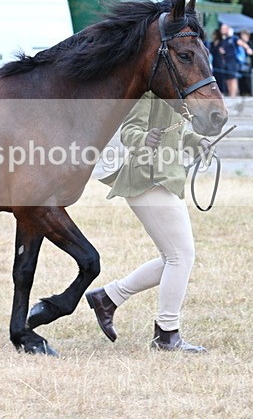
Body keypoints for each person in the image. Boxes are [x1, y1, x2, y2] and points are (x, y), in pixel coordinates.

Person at [85, 91, 212, 353]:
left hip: (163, 179)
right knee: (181, 256)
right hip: (148, 180)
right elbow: (129, 130)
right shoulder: (149, 93)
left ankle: (108, 297)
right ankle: (166, 335)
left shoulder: (172, 94)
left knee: (174, 258)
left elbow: (175, 132)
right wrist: (144, 137)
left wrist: (196, 141)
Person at [218, 23, 240, 97]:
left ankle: (233, 95)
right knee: (228, 80)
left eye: (223, 29)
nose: (222, 30)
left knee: (233, 79)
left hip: (232, 62)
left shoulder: (234, 38)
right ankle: (231, 95)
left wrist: (248, 49)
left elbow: (241, 43)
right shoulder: (224, 40)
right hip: (225, 62)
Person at [237, 29, 253, 96]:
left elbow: (252, 54)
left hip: (247, 64)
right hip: (241, 64)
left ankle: (249, 93)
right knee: (241, 80)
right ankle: (242, 92)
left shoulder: (250, 43)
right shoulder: (239, 42)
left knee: (248, 80)